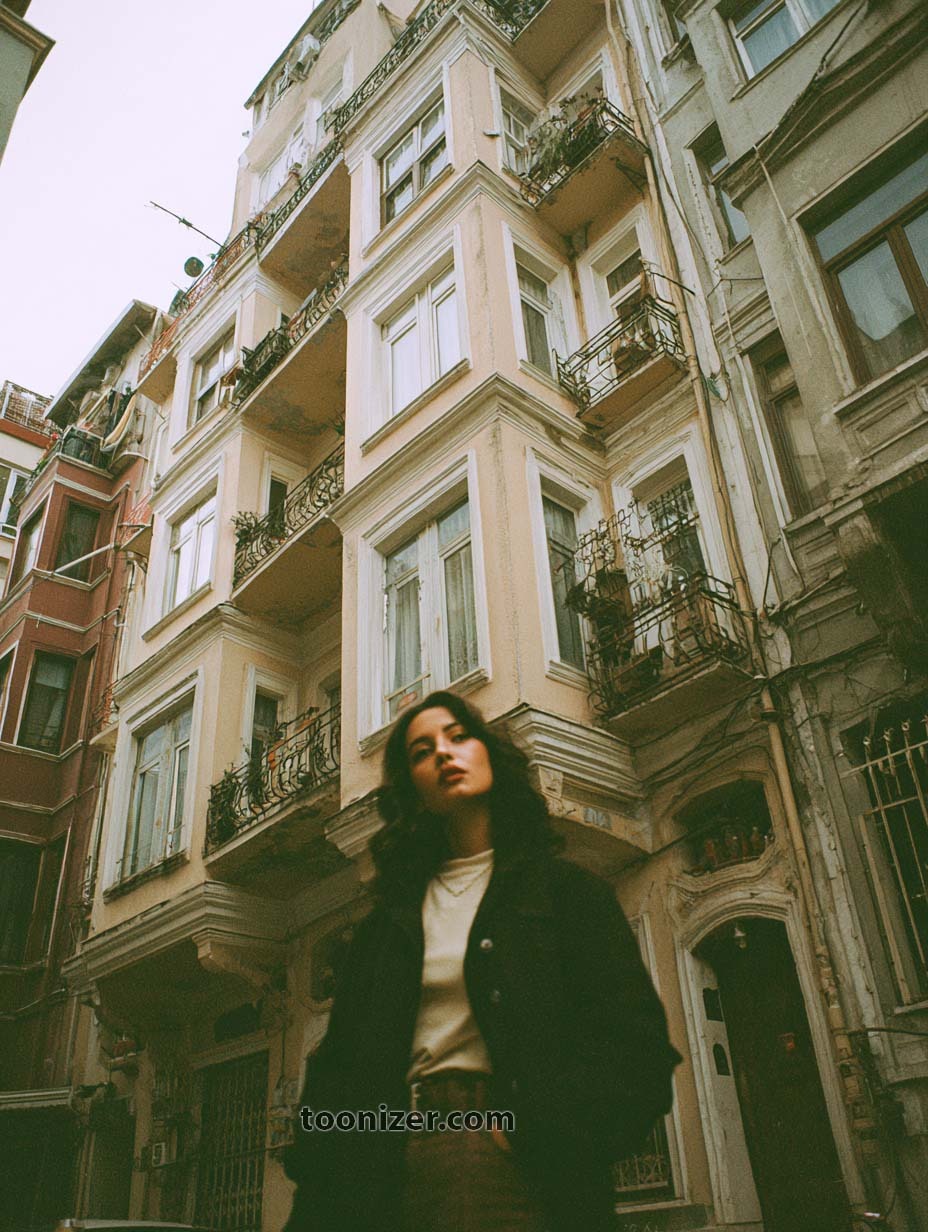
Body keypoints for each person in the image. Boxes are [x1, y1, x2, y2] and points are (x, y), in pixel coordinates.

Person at [283, 690, 681, 1232]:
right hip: (386, 1165)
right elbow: (338, 1068)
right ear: (413, 790)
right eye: (422, 752)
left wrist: (531, 1133)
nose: (444, 754)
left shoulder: (567, 895)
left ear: (489, 753)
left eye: (458, 736)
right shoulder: (384, 926)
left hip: (508, 1163)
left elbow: (637, 1052)